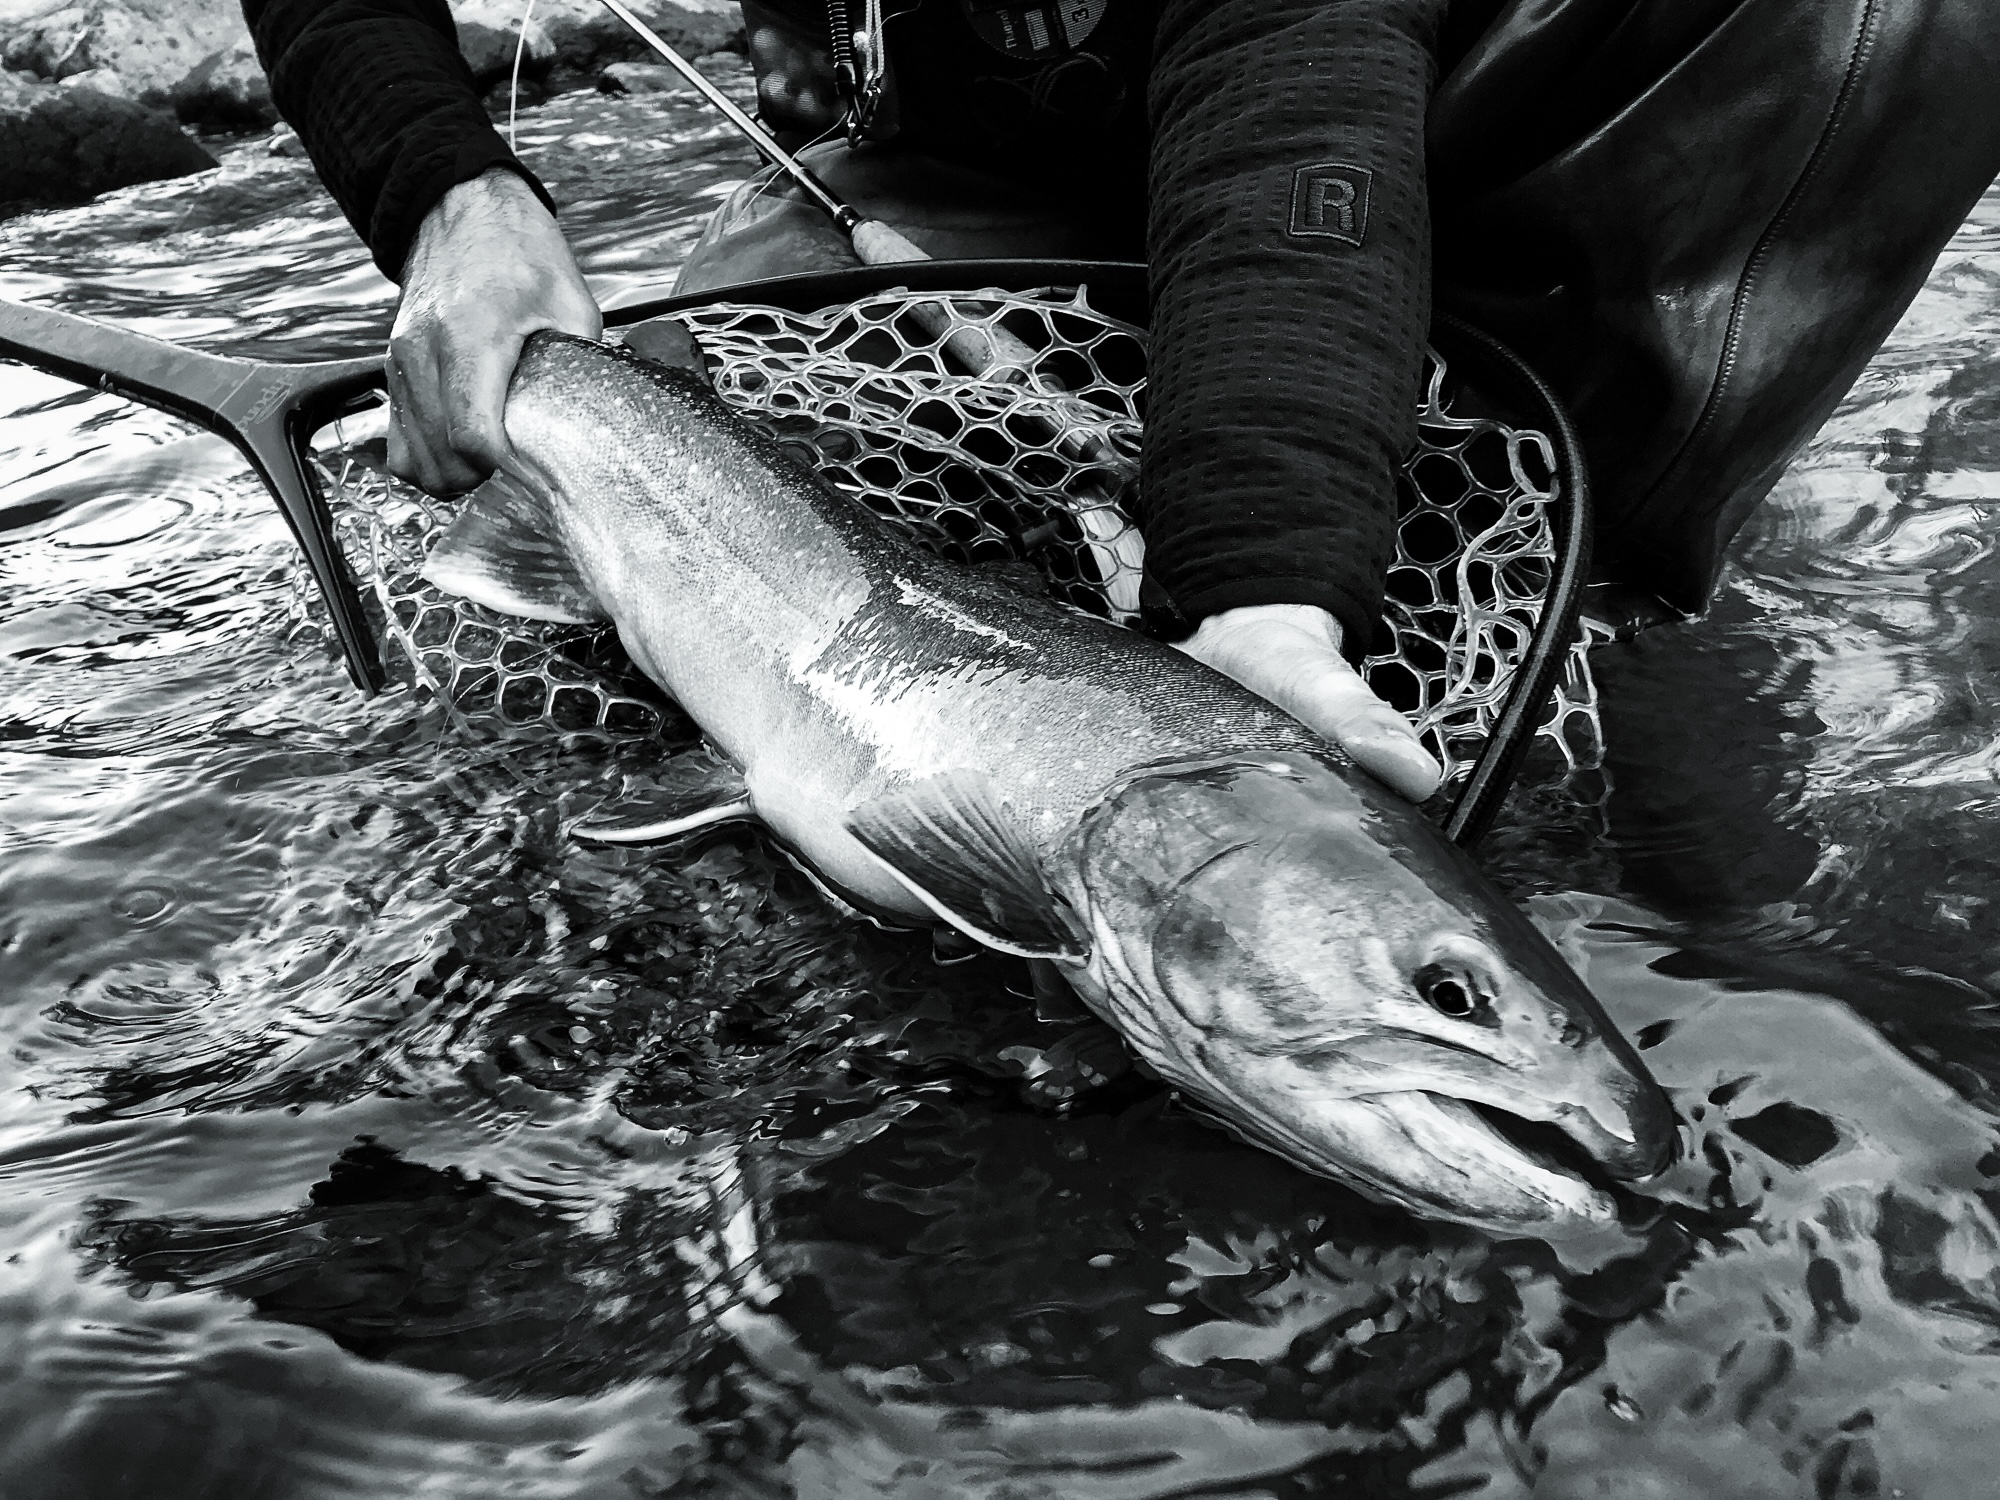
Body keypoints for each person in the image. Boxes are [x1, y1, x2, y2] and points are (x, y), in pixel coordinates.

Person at [242, 0, 2000, 807]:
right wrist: (449, 193)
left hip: (1407, 69)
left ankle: (1552, 567)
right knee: (696, 450)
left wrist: (1265, 587)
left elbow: (1288, 80)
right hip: (977, 134)